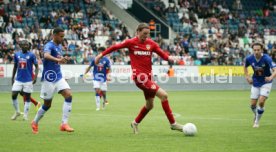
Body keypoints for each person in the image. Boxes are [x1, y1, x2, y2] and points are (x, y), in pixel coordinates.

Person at [94, 23, 183, 134]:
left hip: (148, 78)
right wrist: (101, 55)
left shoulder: (151, 44)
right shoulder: (131, 42)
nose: (146, 36)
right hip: (140, 78)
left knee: (150, 105)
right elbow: (115, 47)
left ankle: (135, 123)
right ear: (138, 31)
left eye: (148, 34)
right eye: (144, 33)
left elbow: (162, 54)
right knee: (164, 95)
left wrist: (170, 58)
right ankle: (173, 124)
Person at [31, 27, 74, 134]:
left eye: (63, 36)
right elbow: (46, 56)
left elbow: (56, 60)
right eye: (61, 36)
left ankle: (64, 124)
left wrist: (63, 59)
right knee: (47, 105)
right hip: (48, 78)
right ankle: (35, 122)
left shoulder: (59, 46)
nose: (62, 38)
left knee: (68, 95)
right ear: (54, 35)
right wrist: (59, 59)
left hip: (58, 76)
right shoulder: (49, 45)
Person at [244, 42, 276, 128]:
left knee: (261, 102)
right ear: (252, 50)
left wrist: (271, 77)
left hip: (266, 82)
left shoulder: (267, 58)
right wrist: (247, 77)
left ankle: (257, 121)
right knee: (253, 105)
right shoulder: (249, 58)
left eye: (258, 50)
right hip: (255, 82)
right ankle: (256, 114)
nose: (256, 51)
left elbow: (275, 70)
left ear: (261, 50)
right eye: (255, 50)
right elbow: (245, 67)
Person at [11, 40, 39, 121]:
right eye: (24, 45)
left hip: (28, 80)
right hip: (18, 79)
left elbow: (37, 67)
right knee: (14, 95)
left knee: (27, 97)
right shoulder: (17, 54)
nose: (26, 46)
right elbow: (15, 66)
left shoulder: (32, 55)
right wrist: (12, 78)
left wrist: (35, 77)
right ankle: (17, 112)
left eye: (27, 45)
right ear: (21, 46)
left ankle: (25, 115)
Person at [84, 47, 111, 111]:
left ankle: (104, 102)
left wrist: (108, 76)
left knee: (104, 93)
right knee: (97, 90)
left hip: (103, 78)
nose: (100, 53)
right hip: (96, 78)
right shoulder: (95, 59)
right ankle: (98, 106)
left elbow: (109, 68)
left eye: (101, 52)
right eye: (99, 51)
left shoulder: (106, 60)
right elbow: (89, 67)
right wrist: (85, 74)